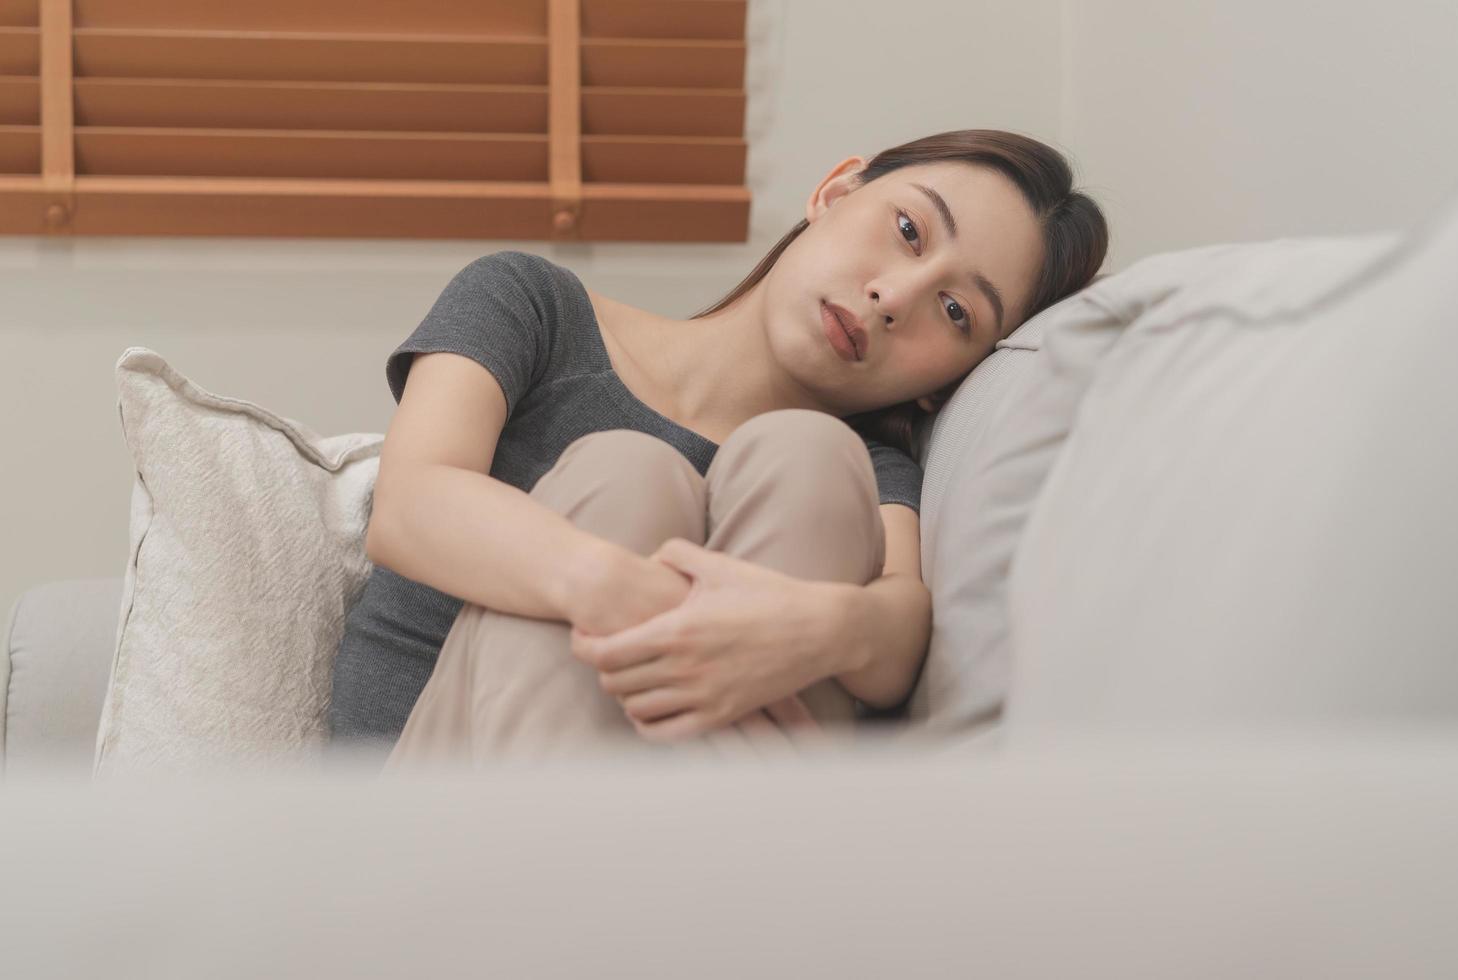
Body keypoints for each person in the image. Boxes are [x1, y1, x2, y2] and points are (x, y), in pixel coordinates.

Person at [327, 128, 1109, 770]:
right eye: (908, 230)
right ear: (835, 192)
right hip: (421, 829)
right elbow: (412, 504)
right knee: (625, 471)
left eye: (954, 310)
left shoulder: (864, 474)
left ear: (950, 381)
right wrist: (625, 593)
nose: (894, 298)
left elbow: (900, 626)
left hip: (675, 874)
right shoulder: (530, 305)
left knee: (809, 457)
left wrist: (819, 631)